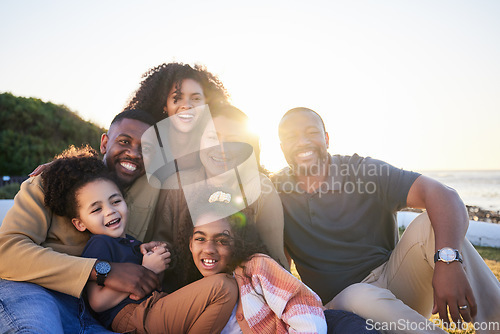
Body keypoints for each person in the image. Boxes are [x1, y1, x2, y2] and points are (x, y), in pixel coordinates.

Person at [272, 107, 500, 333]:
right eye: (291, 137)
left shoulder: (363, 171)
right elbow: (277, 261)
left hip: (395, 283)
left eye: (311, 132)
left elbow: (443, 195)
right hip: (341, 304)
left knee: (428, 225)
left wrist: (448, 261)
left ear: (327, 138)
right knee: (358, 294)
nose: (302, 142)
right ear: (282, 148)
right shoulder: (275, 193)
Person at [40, 147, 237, 333]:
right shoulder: (100, 243)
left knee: (223, 288)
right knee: (223, 287)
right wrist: (147, 270)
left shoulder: (133, 243)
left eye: (115, 201)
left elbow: (148, 286)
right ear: (80, 223)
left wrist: (157, 263)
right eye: (96, 209)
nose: (110, 211)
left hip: (152, 306)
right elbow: (97, 302)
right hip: (131, 317)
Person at [0, 110, 163, 333]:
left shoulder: (148, 191)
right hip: (33, 290)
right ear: (104, 143)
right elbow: (7, 252)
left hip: (93, 310)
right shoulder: (49, 182)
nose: (134, 153)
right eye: (124, 141)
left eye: (146, 148)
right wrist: (100, 270)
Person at [147, 104, 290, 283]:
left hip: (243, 291)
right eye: (213, 137)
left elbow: (275, 257)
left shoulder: (259, 188)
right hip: (183, 290)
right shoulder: (177, 185)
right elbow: (163, 245)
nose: (222, 148)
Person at [175, 200, 328, 333]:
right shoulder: (194, 291)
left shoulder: (256, 268)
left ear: (237, 243)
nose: (208, 249)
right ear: (190, 244)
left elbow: (306, 315)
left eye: (222, 240)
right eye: (200, 239)